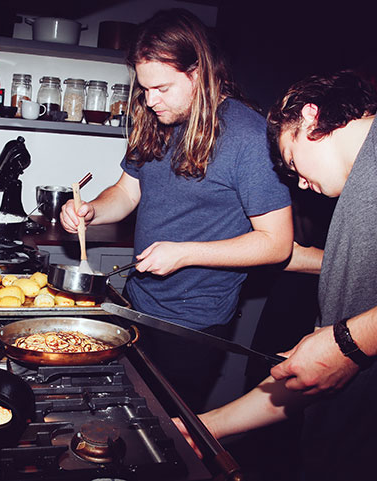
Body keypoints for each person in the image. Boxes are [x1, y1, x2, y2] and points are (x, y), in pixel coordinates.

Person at [176, 69, 377, 480]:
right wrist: (205, 427)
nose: (299, 183)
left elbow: (346, 345)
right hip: (338, 452)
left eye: (292, 160)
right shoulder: (358, 213)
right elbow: (323, 368)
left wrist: (350, 342)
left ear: (310, 117)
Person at [60, 8, 293, 412]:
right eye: (144, 89)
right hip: (134, 304)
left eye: (162, 88)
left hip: (193, 325)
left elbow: (277, 244)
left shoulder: (249, 137)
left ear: (199, 70)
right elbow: (127, 192)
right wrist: (92, 210)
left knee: (170, 432)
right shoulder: (153, 121)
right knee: (120, 414)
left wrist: (185, 253)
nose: (150, 101)